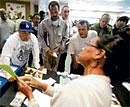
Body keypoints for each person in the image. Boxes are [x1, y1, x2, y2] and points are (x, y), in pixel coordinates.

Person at [17, 34, 121, 107]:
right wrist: (41, 85)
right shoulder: (103, 85)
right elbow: (66, 94)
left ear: (99, 53)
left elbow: (72, 94)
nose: (83, 48)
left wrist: (30, 96)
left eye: (88, 44)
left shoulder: (78, 89)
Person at [38, 1, 68, 71]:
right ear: (49, 11)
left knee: (54, 69)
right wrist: (47, 49)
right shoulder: (43, 23)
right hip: (46, 51)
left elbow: (65, 37)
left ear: (59, 10)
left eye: (56, 12)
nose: (54, 14)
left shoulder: (64, 24)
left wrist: (62, 46)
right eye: (52, 12)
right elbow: (40, 38)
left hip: (57, 51)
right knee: (47, 70)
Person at [57, 5, 73, 73]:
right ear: (61, 12)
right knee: (56, 65)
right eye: (65, 11)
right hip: (58, 47)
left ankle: (60, 78)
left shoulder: (70, 21)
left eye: (68, 12)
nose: (66, 13)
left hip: (65, 47)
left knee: (62, 64)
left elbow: (70, 32)